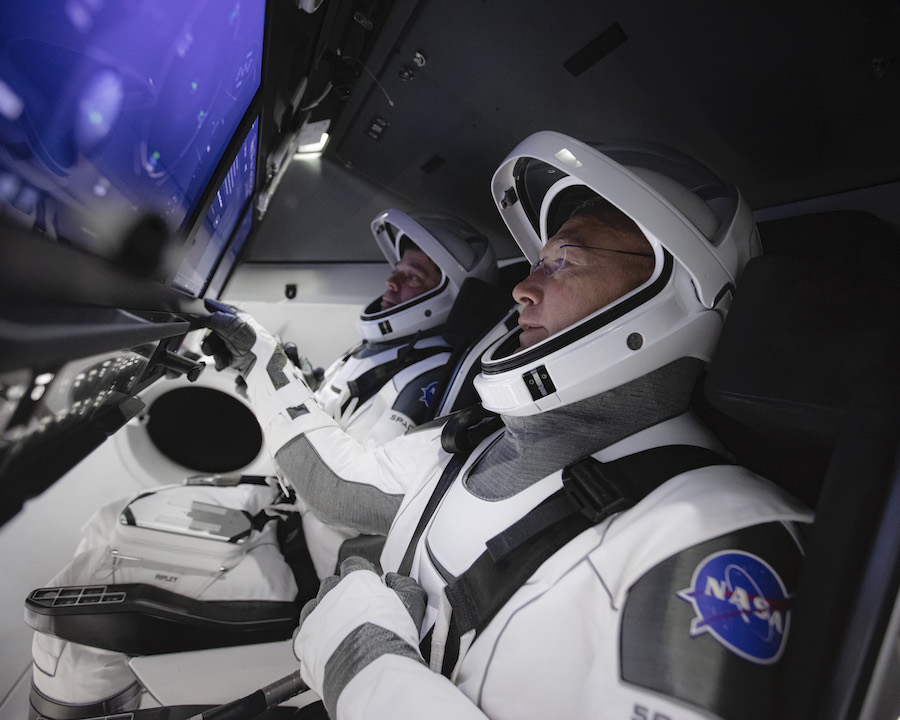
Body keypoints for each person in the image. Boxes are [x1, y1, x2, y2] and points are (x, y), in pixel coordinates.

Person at [211, 132, 811, 719]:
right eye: (538, 261)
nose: (523, 287)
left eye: (564, 261)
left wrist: (361, 660)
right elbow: (341, 487)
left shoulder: (718, 539)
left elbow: (363, 651)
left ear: (674, 292)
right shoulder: (481, 437)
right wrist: (260, 357)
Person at [28, 209, 504, 720]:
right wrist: (253, 371)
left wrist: (265, 362)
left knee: (83, 590)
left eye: (415, 274)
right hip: (280, 517)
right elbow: (327, 425)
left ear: (453, 293)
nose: (394, 279)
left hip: (308, 564)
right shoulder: (386, 353)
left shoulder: (431, 379)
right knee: (106, 521)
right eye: (398, 267)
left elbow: (344, 493)